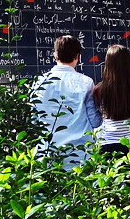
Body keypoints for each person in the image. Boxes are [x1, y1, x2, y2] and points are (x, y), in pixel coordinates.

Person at [32, 35, 100, 165]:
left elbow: (34, 120)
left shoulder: (39, 83)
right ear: (77, 57)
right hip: (81, 155)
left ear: (55, 55)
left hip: (47, 154)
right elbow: (95, 121)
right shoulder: (86, 82)